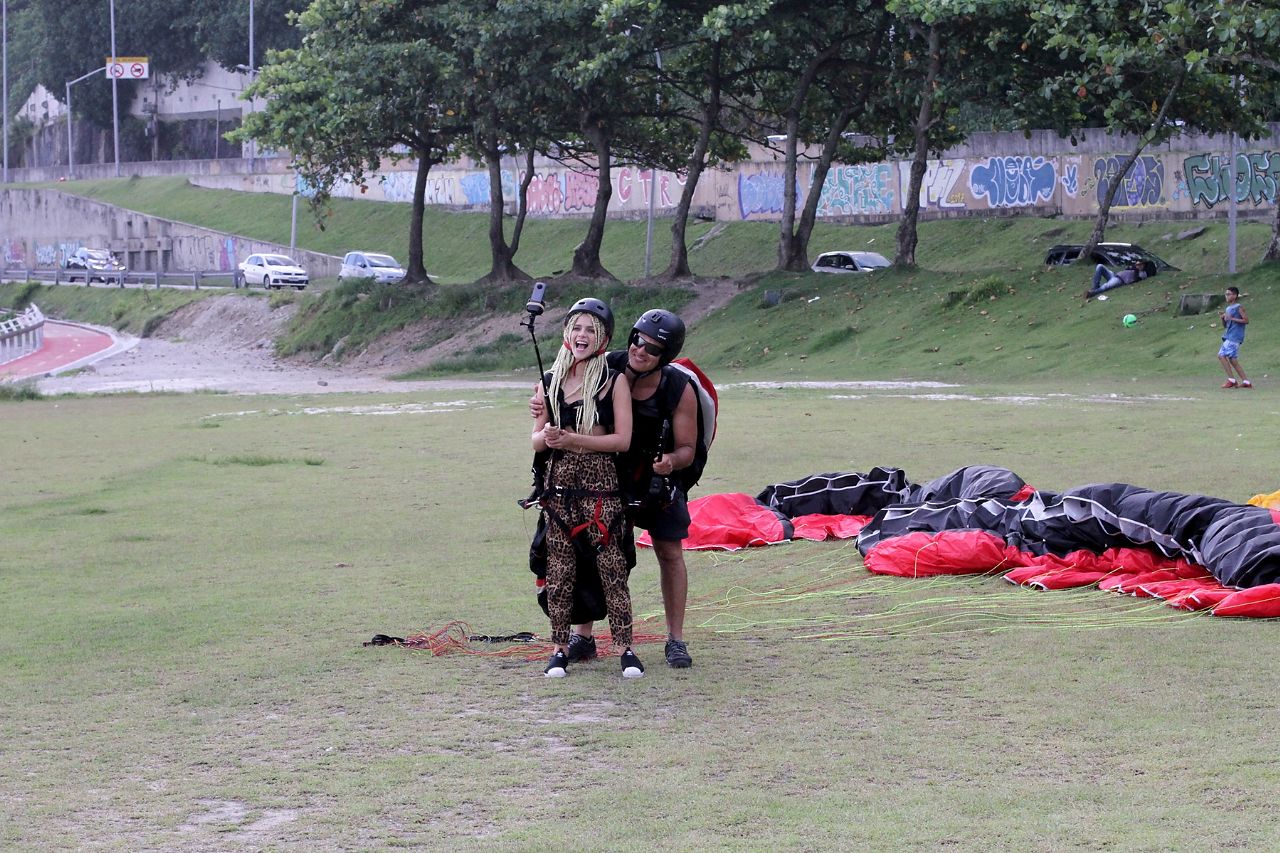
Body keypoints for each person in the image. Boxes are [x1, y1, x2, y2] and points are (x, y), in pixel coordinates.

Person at [532, 309, 699, 669]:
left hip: (655, 481)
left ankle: (676, 640)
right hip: (603, 481)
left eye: (652, 348)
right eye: (637, 340)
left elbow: (688, 448)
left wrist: (670, 461)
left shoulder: (678, 389)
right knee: (586, 550)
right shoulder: (606, 365)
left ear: (665, 356)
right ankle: (583, 637)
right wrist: (542, 404)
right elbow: (566, 386)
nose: (641, 350)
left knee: (669, 553)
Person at [531, 298, 642, 679]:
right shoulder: (550, 381)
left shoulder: (615, 381)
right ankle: (560, 648)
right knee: (560, 569)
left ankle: (625, 649)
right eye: (576, 328)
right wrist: (546, 434)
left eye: (591, 330)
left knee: (612, 566)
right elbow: (535, 442)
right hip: (559, 489)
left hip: (602, 489)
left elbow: (622, 440)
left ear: (604, 338)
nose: (582, 335)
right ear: (566, 333)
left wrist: (574, 440)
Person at [1218, 286, 1251, 389]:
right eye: (1226, 294)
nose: (1226, 296)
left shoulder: (1238, 307)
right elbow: (1226, 325)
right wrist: (1223, 319)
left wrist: (1231, 318)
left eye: (1228, 294)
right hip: (1229, 335)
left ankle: (1231, 380)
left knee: (1221, 355)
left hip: (1234, 337)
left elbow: (1246, 320)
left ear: (1235, 295)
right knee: (1233, 360)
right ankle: (1246, 382)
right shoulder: (1228, 308)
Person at [1084, 259, 1149, 301]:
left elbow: (1138, 276)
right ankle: (1094, 287)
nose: (1138, 266)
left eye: (1140, 265)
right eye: (1137, 265)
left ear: (1143, 265)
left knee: (1105, 286)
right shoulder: (1132, 268)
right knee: (1100, 266)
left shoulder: (1142, 273)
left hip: (1119, 280)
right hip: (1114, 275)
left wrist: (1136, 268)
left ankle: (1091, 293)